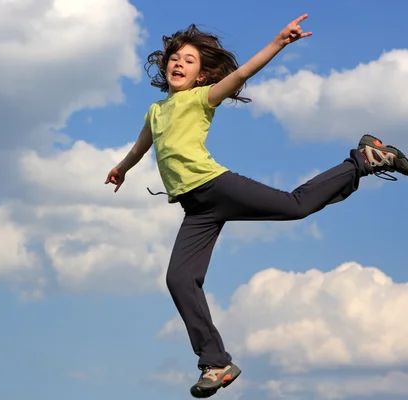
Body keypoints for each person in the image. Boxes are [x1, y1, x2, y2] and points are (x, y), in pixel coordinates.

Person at [104, 14, 408, 399]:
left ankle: (364, 160)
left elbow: (245, 70)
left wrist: (278, 43)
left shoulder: (202, 98)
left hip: (216, 187)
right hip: (196, 209)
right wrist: (122, 168)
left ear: (201, 76)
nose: (178, 63)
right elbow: (142, 145)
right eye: (174, 58)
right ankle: (216, 363)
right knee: (178, 280)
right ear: (165, 66)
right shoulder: (155, 111)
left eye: (189, 60)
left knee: (295, 206)